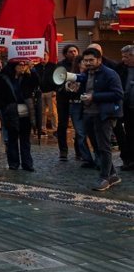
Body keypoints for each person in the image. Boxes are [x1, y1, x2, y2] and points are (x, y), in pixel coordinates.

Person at [77, 48, 124, 191]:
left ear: (99, 60)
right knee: (97, 146)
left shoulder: (110, 73)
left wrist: (94, 97)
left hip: (104, 115)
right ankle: (113, 175)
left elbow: (118, 94)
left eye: (91, 60)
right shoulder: (86, 74)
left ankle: (104, 178)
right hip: (88, 113)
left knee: (104, 147)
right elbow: (85, 90)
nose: (88, 63)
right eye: (86, 60)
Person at [0, 60, 39, 171]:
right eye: (20, 64)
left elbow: (37, 82)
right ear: (14, 66)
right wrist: (5, 107)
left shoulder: (27, 77)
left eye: (24, 65)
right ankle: (13, 163)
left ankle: (27, 163)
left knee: (25, 139)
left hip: (25, 112)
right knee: (12, 139)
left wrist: (32, 69)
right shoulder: (4, 78)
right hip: (11, 112)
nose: (23, 67)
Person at [55, 45, 80, 161]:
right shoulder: (60, 65)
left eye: (75, 51)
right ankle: (63, 151)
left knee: (78, 126)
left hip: (77, 99)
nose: (73, 53)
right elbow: (56, 81)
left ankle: (79, 151)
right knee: (62, 125)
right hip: (63, 99)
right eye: (70, 52)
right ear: (65, 54)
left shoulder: (81, 63)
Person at [118, 45, 134, 171]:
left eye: (126, 56)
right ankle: (129, 160)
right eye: (123, 56)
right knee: (129, 134)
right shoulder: (121, 68)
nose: (124, 59)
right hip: (126, 107)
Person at [34, 53, 58, 136]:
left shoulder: (53, 66)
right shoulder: (36, 67)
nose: (43, 57)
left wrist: (55, 90)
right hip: (40, 92)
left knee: (53, 112)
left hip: (51, 91)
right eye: (41, 55)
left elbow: (57, 78)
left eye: (45, 55)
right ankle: (42, 129)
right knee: (42, 112)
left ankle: (55, 129)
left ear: (48, 56)